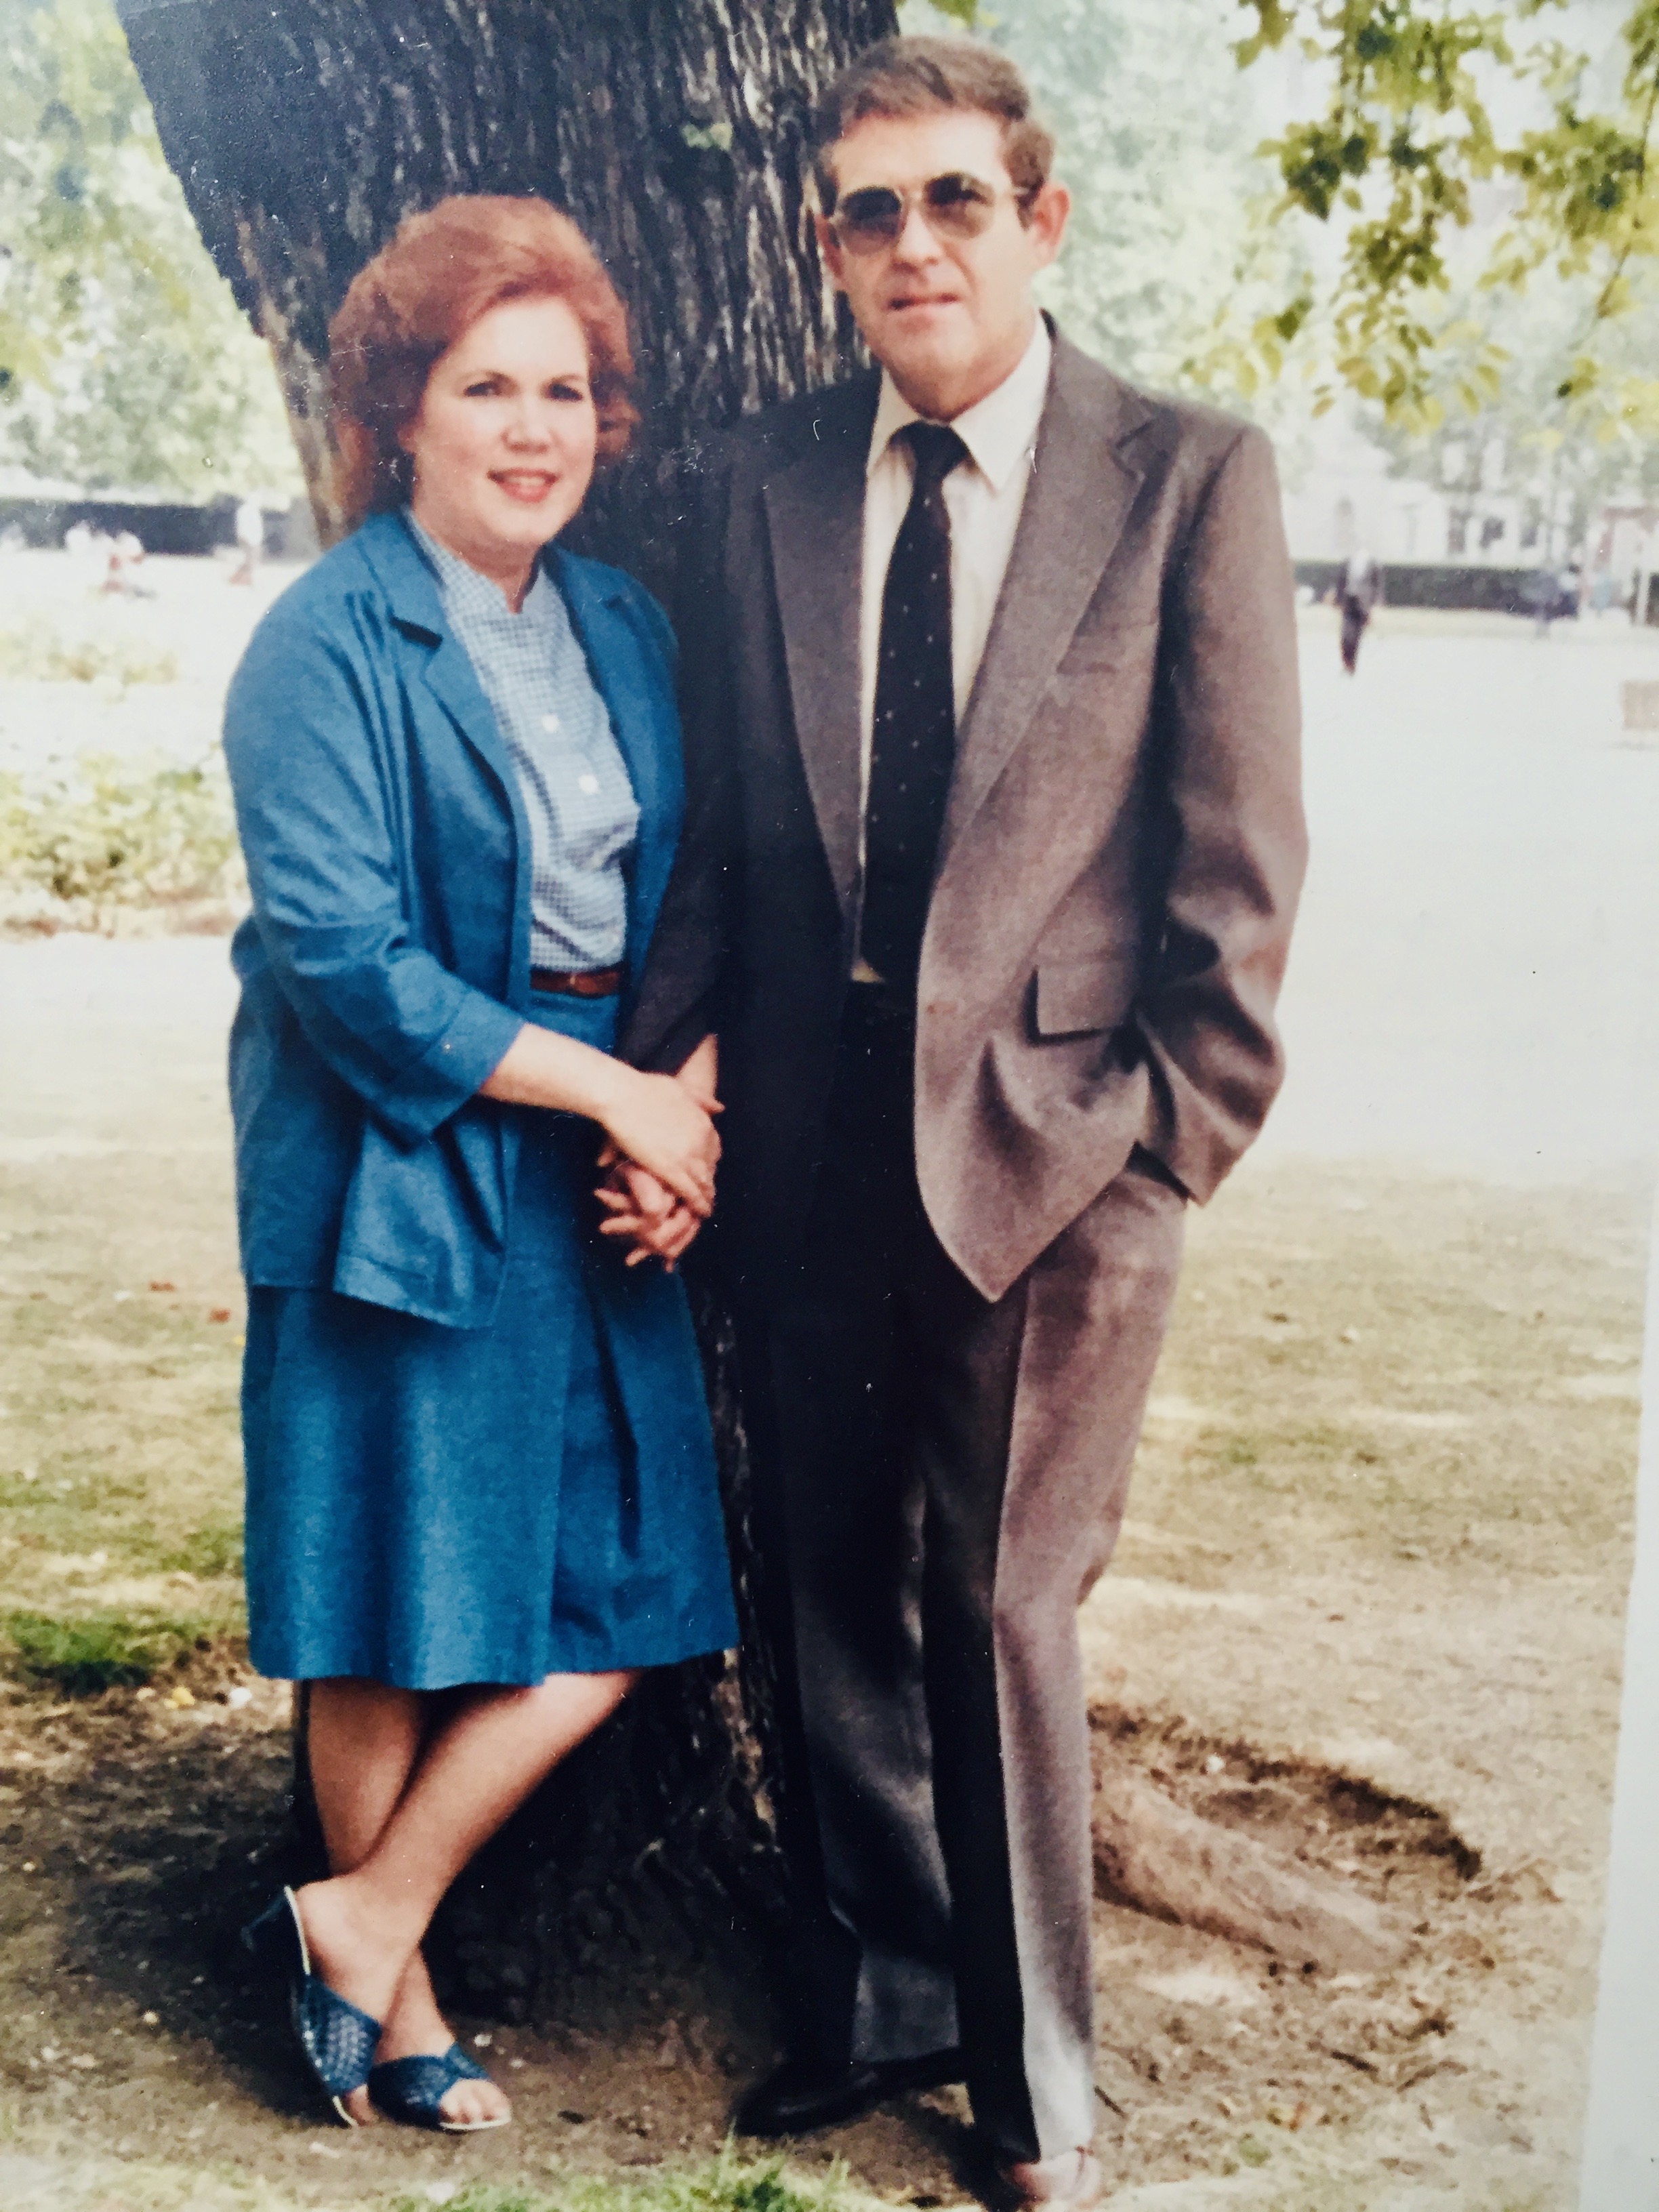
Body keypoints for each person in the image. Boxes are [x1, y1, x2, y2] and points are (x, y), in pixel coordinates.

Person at [616, 37, 1305, 2210]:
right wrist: (678, 1080)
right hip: (808, 1142)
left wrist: (1168, 1137)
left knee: (996, 1598)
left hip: (1063, 1149)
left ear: (1042, 220)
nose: (910, 244)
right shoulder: (772, 477)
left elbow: (1239, 867)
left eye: (952, 202)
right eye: (866, 211)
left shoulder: (1189, 472)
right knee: (820, 1577)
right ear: (827, 247)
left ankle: (1035, 2089)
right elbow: (727, 834)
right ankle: (881, 1996)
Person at [224, 194, 736, 2135]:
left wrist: (673, 1097)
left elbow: (692, 890)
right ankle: (404, 1999)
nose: (535, 428)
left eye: (567, 391)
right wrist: (612, 1098)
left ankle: (354, 1917)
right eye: (486, 388)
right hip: (395, 1160)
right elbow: (353, 971)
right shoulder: (325, 643)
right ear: (399, 414)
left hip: (599, 1141)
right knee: (382, 1597)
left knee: (632, 1594)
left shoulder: (622, 622)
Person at [1336, 546, 1380, 673]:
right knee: (1345, 635)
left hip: (1363, 605)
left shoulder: (1373, 565)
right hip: (1348, 602)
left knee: (1356, 637)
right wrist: (1339, 599)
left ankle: (1351, 665)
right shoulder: (1347, 563)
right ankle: (1346, 662)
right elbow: (1340, 581)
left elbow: (1377, 585)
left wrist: (1374, 603)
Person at [230, 495, 266, 585]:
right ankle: (242, 579)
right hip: (249, 538)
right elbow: (245, 525)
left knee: (250, 561)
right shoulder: (247, 511)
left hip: (253, 539)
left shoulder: (251, 510)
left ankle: (238, 579)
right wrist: (247, 537)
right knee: (251, 561)